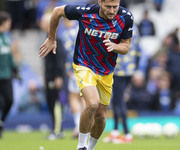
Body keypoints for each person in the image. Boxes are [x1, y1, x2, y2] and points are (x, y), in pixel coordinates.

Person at [39, 0, 133, 149]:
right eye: (108, 7)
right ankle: (81, 146)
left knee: (101, 115)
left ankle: (90, 148)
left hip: (106, 70)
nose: (112, 11)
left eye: (115, 7)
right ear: (100, 2)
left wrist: (115, 46)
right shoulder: (85, 11)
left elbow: (126, 46)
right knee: (92, 103)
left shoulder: (126, 17)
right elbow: (57, 11)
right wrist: (52, 38)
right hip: (84, 64)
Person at [102, 24, 142, 144]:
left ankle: (127, 134)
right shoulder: (134, 28)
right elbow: (139, 50)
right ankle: (115, 131)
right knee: (115, 100)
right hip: (129, 69)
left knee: (119, 100)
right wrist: (136, 68)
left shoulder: (116, 27)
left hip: (118, 69)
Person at [40, 12, 66, 140]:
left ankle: (58, 130)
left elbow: (60, 59)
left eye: (44, 22)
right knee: (51, 103)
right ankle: (55, 129)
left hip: (55, 76)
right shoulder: (48, 37)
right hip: (49, 76)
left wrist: (59, 76)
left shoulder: (56, 39)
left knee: (55, 103)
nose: (41, 24)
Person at [58, 18, 85, 138]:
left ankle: (79, 126)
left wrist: (69, 69)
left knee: (74, 97)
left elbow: (70, 52)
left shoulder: (67, 34)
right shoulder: (82, 30)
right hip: (87, 68)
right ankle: (84, 125)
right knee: (84, 97)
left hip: (75, 69)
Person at [0, 11, 19, 138]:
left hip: (6, 74)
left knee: (10, 101)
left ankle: (1, 122)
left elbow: (10, 56)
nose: (10, 24)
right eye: (8, 22)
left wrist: (15, 69)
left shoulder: (7, 38)